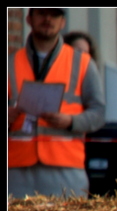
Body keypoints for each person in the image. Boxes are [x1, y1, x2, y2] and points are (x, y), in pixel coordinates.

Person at [8, 8, 105, 198]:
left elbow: (99, 113)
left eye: (54, 15)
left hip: (66, 171)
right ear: (29, 19)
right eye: (42, 13)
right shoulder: (10, 63)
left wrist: (71, 121)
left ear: (62, 22)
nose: (47, 19)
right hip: (16, 172)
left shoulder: (83, 63)